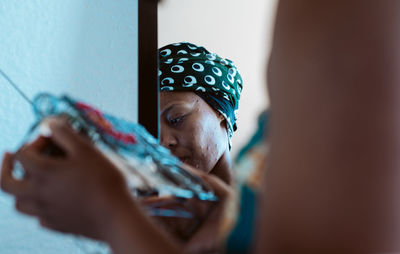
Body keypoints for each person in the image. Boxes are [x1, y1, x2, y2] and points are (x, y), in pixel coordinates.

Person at [2, 1, 400, 254]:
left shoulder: (348, 18)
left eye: (176, 117)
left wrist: (110, 214)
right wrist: (224, 212)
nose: (164, 138)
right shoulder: (236, 197)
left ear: (223, 117)